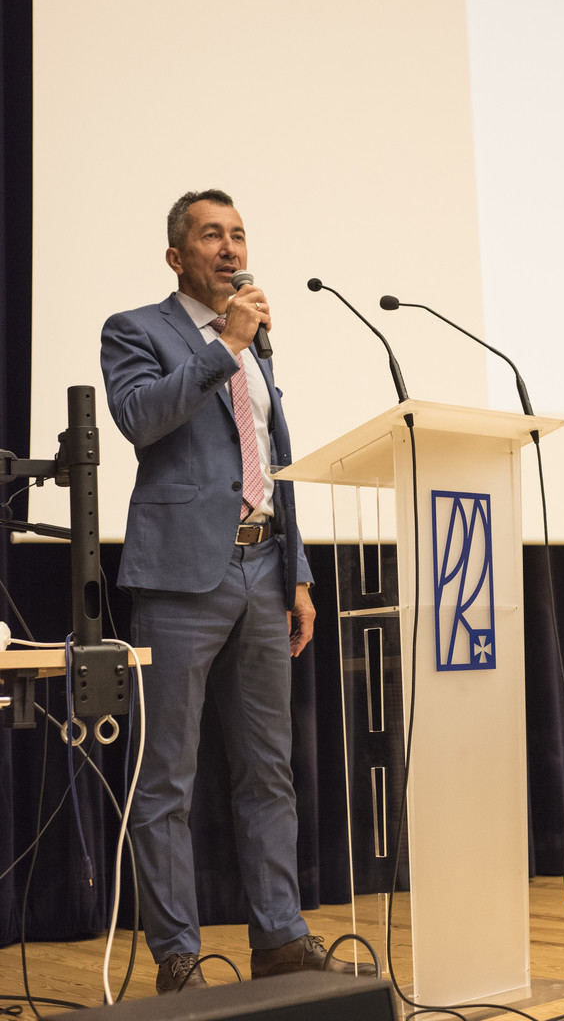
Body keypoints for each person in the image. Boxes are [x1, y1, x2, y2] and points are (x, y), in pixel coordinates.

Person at [101, 189, 361, 993]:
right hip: (181, 577)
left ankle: (280, 938)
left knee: (268, 772)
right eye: (211, 235)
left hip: (263, 570)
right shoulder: (137, 329)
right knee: (166, 777)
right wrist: (226, 344)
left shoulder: (257, 345)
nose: (229, 247)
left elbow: (271, 461)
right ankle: (177, 954)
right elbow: (140, 418)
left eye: (238, 234)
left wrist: (299, 573)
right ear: (176, 256)